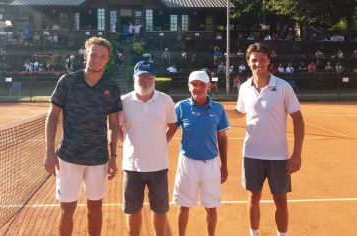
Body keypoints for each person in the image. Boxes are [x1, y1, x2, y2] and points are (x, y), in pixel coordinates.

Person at [44, 36, 122, 236]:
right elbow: (52, 116)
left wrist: (113, 157)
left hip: (98, 158)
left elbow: (114, 124)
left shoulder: (112, 87)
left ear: (107, 60)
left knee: (95, 208)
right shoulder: (68, 81)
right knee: (67, 208)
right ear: (86, 55)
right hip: (68, 156)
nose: (97, 60)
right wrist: (49, 153)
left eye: (102, 57)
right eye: (93, 55)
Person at [235, 42, 305, 236]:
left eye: (262, 60)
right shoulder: (244, 88)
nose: (258, 64)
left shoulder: (282, 86)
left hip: (278, 156)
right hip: (251, 154)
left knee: (280, 200)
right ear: (248, 62)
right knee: (253, 197)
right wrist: (214, 111)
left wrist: (296, 155)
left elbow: (298, 120)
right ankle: (254, 233)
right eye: (254, 60)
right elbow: (239, 112)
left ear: (269, 62)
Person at [119, 61, 177, 236]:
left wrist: (162, 142)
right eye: (141, 75)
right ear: (134, 77)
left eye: (149, 75)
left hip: (158, 167)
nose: (145, 79)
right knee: (132, 210)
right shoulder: (123, 101)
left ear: (154, 78)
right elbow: (116, 128)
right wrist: (127, 144)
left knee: (159, 210)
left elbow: (173, 125)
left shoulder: (165, 100)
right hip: (132, 167)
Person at [172, 71, 230, 236]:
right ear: (189, 86)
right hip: (187, 163)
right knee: (184, 206)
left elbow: (222, 137)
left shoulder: (218, 108)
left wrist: (224, 166)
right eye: (194, 84)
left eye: (202, 84)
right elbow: (169, 130)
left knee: (211, 207)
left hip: (211, 164)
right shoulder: (181, 107)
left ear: (208, 86)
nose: (198, 88)